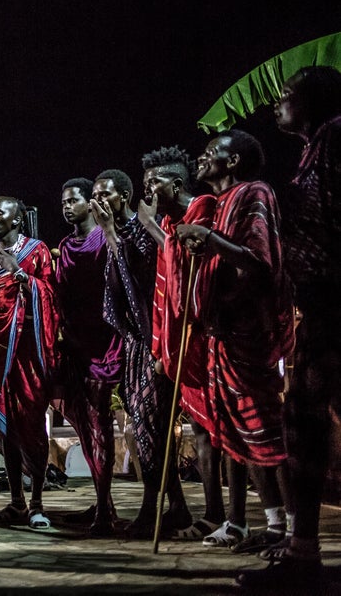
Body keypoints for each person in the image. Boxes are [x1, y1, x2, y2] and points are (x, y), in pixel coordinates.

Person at [238, 66, 341, 588]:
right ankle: (303, 550)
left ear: (316, 101)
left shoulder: (337, 139)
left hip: (333, 304)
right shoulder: (319, 146)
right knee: (306, 419)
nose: (277, 102)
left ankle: (304, 556)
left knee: (306, 421)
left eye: (288, 95)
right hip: (322, 306)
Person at [172, 131, 293, 551]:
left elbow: (259, 262)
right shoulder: (220, 204)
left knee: (264, 432)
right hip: (222, 334)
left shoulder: (254, 193)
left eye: (211, 154)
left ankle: (293, 531)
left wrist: (209, 240)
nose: (202, 160)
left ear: (234, 161)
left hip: (250, 335)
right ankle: (272, 523)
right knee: (240, 435)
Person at [133, 147, 233, 544]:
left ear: (176, 184)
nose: (149, 190)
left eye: (154, 183)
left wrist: (152, 227)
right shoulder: (173, 221)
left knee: (213, 431)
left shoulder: (203, 208)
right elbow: (164, 291)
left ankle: (222, 515)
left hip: (207, 339)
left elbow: (194, 269)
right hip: (178, 346)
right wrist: (161, 349)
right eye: (145, 185)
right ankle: (207, 513)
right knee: (195, 430)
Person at [90, 168, 192, 537]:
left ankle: (151, 509)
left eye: (107, 194)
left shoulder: (142, 230)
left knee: (151, 426)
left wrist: (114, 234)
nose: (99, 201)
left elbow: (141, 286)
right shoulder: (112, 233)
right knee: (149, 427)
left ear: (125, 196)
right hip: (134, 343)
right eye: (96, 195)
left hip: (156, 340)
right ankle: (177, 506)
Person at [0, 196, 58, 530]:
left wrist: (21, 276)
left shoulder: (37, 251)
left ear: (18, 219)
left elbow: (50, 294)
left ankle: (37, 501)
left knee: (32, 426)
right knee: (5, 427)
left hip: (26, 355)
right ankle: (17, 501)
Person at [52, 177, 120, 536]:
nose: (66, 206)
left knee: (100, 426)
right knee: (82, 424)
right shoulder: (64, 246)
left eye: (73, 200)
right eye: (63, 201)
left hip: (103, 345)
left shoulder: (103, 241)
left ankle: (106, 512)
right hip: (75, 345)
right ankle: (102, 502)